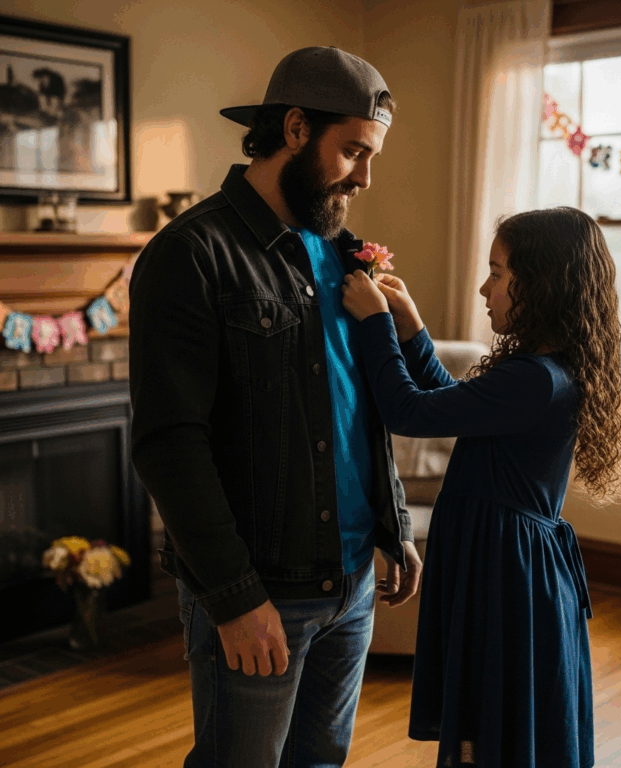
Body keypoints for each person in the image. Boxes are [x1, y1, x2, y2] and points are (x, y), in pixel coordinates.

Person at [129, 46, 422, 768]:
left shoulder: (349, 256)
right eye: (353, 151)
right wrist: (233, 598)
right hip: (263, 590)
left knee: (322, 760)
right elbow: (170, 445)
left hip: (352, 585)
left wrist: (397, 523)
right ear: (295, 128)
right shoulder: (191, 254)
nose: (365, 176)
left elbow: (360, 409)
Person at [341, 206, 621, 768]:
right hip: (506, 563)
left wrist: (376, 324)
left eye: (497, 273)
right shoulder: (539, 370)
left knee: (492, 720)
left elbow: (407, 410)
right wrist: (411, 330)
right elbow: (450, 405)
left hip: (506, 572)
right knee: (491, 719)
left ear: (540, 283)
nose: (484, 287)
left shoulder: (534, 378)